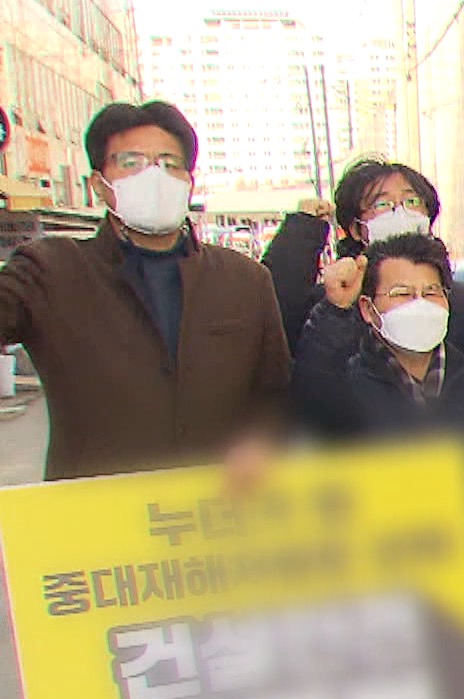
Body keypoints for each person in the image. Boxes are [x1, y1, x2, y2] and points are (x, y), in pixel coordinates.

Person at [0, 101, 289, 480]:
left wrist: (261, 443)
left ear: (188, 182)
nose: (154, 176)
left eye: (169, 163)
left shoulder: (245, 279)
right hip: (97, 508)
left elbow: (274, 395)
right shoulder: (50, 270)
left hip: (218, 505)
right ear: (99, 184)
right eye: (131, 162)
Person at [292, 233, 464, 548]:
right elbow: (311, 410)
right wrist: (335, 313)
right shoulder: (345, 388)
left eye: (431, 292)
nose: (419, 305)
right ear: (368, 308)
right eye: (402, 293)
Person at [264, 157, 464, 358]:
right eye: (382, 204)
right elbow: (276, 318)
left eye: (412, 201)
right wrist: (302, 230)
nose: (400, 211)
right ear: (356, 228)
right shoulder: (332, 307)